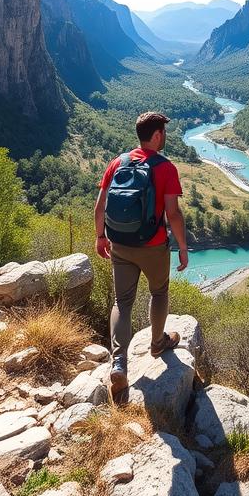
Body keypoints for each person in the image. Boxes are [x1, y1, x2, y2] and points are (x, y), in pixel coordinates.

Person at [94, 111, 189, 399]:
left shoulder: (117, 163)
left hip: (119, 244)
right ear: (158, 135)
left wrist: (100, 237)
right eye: (164, 132)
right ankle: (158, 342)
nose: (165, 137)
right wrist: (183, 247)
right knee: (159, 292)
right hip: (153, 245)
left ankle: (120, 363)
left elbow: (100, 207)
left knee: (122, 302)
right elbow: (172, 213)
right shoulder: (165, 168)